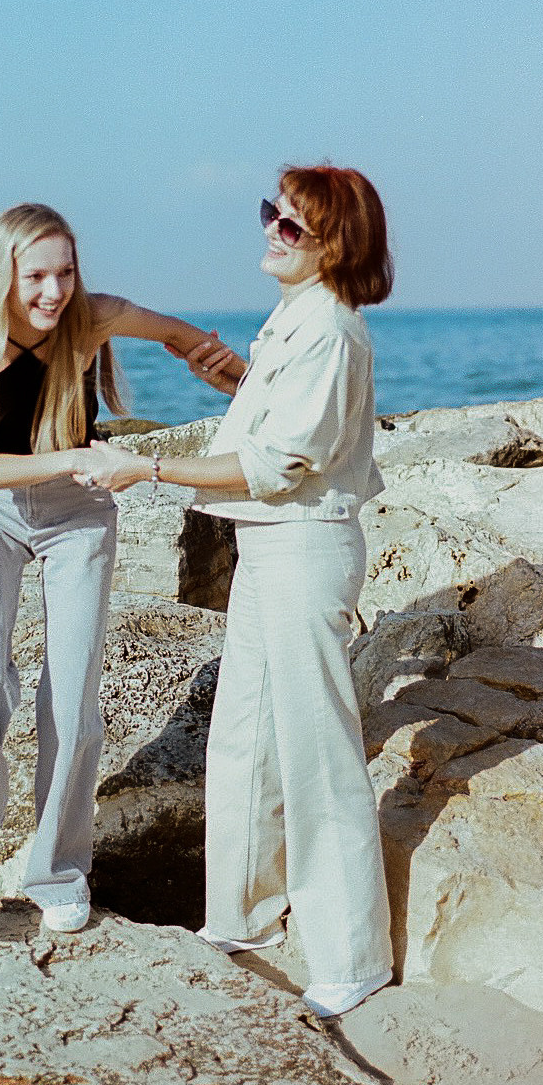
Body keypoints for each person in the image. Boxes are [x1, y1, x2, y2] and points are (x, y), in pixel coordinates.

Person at [74, 166, 394, 1015]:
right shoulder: (297, 315)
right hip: (268, 543)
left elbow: (278, 466)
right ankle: (239, 918)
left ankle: (351, 955)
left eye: (291, 226)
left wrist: (144, 466)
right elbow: (288, 428)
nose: (270, 231)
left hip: (304, 545)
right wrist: (235, 386)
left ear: (335, 246)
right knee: (246, 734)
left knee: (316, 750)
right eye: (270, 214)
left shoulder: (329, 329)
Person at [0, 201, 226, 934]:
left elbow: (180, 335)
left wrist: (233, 375)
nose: (53, 291)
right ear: (1, 273)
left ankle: (58, 870)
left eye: (64, 273)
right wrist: (73, 456)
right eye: (35, 276)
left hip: (79, 515)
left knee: (72, 694)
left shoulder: (91, 318)